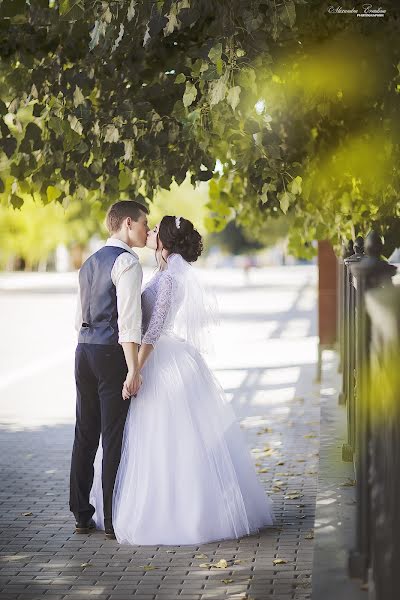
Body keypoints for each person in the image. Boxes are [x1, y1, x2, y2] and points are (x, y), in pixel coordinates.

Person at [90, 215, 274, 545]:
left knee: (162, 438)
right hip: (161, 356)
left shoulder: (172, 278)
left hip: (158, 360)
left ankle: (177, 513)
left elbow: (155, 329)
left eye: (157, 230)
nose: (151, 233)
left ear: (167, 241)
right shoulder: (166, 271)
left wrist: (137, 370)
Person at [69, 200, 149, 540]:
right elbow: (129, 324)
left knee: (85, 433)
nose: (148, 230)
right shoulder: (127, 262)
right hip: (110, 354)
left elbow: (78, 318)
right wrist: (133, 370)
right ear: (128, 223)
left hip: (83, 350)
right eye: (145, 224)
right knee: (112, 436)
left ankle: (81, 513)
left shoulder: (88, 262)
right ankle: (114, 519)